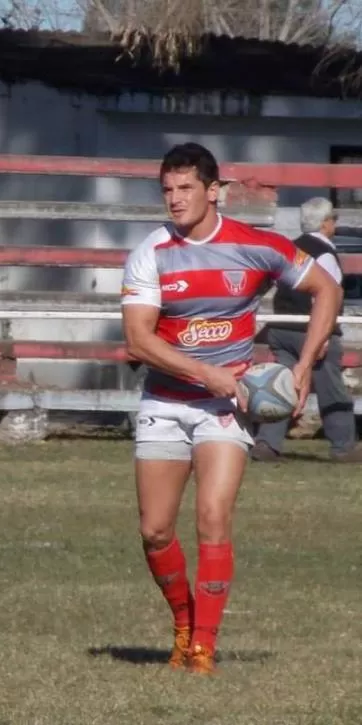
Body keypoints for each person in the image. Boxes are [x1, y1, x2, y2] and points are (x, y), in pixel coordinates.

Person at [120, 143, 342, 674]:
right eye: (167, 190)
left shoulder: (257, 246)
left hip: (225, 408)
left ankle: (203, 648)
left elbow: (327, 288)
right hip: (167, 401)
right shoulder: (150, 252)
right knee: (154, 530)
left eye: (186, 188)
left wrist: (305, 365)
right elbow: (138, 340)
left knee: (213, 518)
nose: (174, 200)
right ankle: (182, 622)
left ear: (214, 191)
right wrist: (208, 373)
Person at [251, 196, 362, 462]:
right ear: (326, 224)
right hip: (310, 330)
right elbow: (328, 297)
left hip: (282, 327)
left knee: (280, 387)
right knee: (331, 388)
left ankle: (267, 443)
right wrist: (322, 337)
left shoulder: (289, 248)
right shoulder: (325, 255)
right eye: (332, 219)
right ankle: (343, 447)